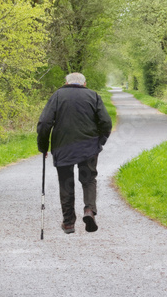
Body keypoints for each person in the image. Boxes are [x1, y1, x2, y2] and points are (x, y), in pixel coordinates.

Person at [37, 72, 112, 234]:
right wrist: (100, 141)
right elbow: (106, 122)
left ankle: (69, 222)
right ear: (84, 84)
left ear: (66, 82)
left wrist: (43, 146)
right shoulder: (93, 96)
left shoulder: (57, 96)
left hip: (63, 146)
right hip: (89, 146)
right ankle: (89, 210)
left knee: (66, 182)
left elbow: (44, 122)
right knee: (89, 179)